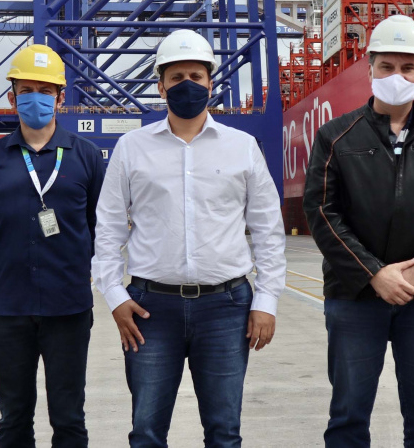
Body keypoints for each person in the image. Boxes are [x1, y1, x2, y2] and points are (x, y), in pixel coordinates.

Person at [92, 29, 286, 448]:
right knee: (146, 432)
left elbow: (268, 230)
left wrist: (266, 302)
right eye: (176, 77)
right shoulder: (131, 148)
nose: (187, 85)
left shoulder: (243, 147)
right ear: (160, 85)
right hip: (149, 309)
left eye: (196, 76)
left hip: (226, 308)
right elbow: (107, 228)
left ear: (211, 83)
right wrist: (113, 294)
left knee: (223, 432)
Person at [303, 15, 414, 448]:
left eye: (407, 67)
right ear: (369, 68)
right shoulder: (335, 136)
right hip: (354, 297)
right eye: (387, 67)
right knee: (348, 416)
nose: (397, 77)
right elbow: (321, 212)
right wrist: (373, 273)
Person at [0, 43, 105, 448]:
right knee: (13, 418)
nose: (36, 99)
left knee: (68, 418)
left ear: (60, 98)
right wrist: (9, 263)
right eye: (27, 90)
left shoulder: (85, 157)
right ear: (12, 97)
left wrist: (69, 264)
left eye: (46, 91)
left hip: (69, 308)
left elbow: (100, 226)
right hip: (9, 310)